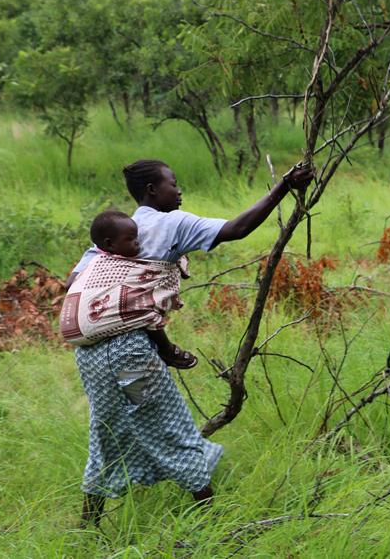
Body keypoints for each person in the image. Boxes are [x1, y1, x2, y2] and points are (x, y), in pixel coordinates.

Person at [75, 158, 314, 527]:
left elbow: (80, 287)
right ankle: (213, 525)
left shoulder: (112, 235)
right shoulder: (169, 223)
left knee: (106, 432)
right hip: (130, 355)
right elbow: (237, 228)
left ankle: (86, 527)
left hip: (89, 355)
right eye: (173, 183)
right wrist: (284, 186)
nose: (179, 189)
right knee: (173, 428)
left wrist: (165, 347)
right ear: (153, 191)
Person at [61, 210, 198, 369]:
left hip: (91, 349)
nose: (137, 243)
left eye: (137, 237)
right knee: (143, 307)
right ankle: (167, 350)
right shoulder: (105, 261)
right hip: (123, 347)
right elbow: (71, 284)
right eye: (130, 239)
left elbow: (69, 284)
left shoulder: (99, 255)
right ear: (110, 244)